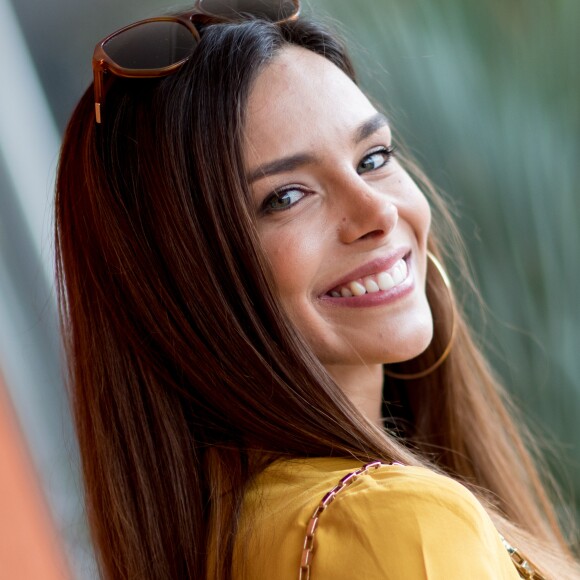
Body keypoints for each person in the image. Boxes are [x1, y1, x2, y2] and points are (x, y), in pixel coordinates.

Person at [55, 1, 580, 578]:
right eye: (286, 196)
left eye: (373, 157)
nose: (377, 210)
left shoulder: (245, 537)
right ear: (182, 288)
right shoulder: (392, 524)